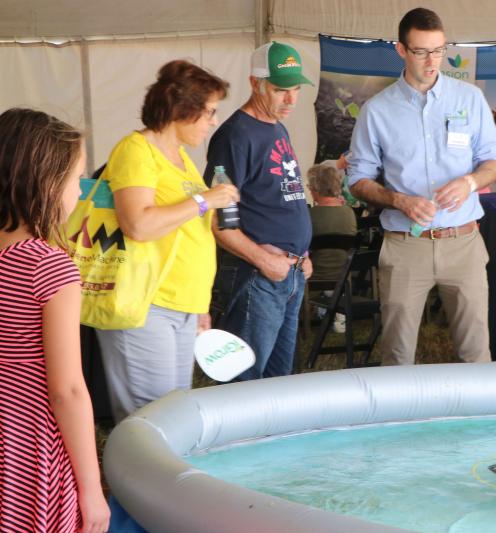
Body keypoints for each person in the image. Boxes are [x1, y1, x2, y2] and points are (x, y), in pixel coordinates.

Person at [348, 7, 496, 365]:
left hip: (463, 242)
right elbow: (357, 180)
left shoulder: (469, 99)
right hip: (405, 245)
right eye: (421, 51)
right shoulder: (377, 110)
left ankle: (479, 420)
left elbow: (493, 163)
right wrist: (399, 200)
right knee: (398, 353)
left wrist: (470, 181)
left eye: (439, 50)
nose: (432, 61)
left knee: (476, 350)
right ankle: (398, 420)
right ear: (401, 50)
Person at [95, 60, 238, 423]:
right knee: (151, 421)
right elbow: (139, 225)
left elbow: (190, 234)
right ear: (182, 110)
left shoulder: (183, 160)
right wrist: (206, 200)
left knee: (173, 415)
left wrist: (200, 306)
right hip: (146, 303)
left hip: (182, 305)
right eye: (209, 112)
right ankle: (131, 480)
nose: (213, 122)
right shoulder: (136, 150)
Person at [0, 108, 110, 532]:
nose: (81, 193)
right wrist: (91, 489)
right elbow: (66, 391)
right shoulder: (48, 267)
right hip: (29, 446)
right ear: (43, 182)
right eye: (76, 178)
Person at [204, 41, 314, 380]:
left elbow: (282, 197)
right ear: (255, 83)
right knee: (245, 379)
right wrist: (266, 261)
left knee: (279, 379)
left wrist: (301, 254)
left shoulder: (276, 127)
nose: (291, 99)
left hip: (289, 271)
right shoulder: (235, 137)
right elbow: (219, 220)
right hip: (259, 275)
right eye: (281, 90)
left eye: (296, 89)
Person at [307, 164, 358, 333]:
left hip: (314, 274)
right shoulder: (349, 213)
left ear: (315, 188)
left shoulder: (310, 215)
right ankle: (330, 305)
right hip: (344, 273)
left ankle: (324, 305)